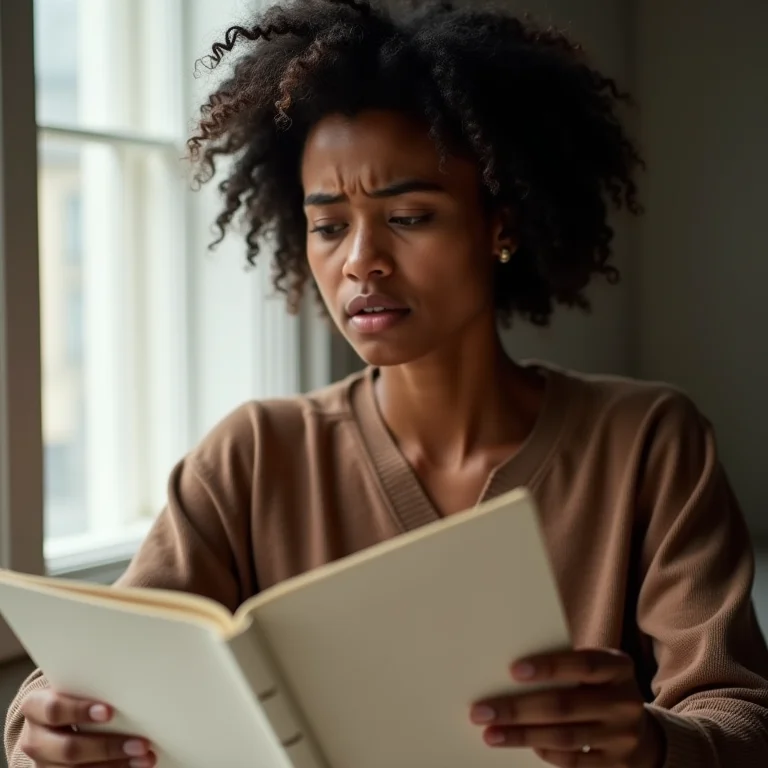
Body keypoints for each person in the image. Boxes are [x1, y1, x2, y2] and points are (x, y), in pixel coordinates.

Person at [6, 0, 768, 766]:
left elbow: (741, 716)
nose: (359, 261)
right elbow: (88, 678)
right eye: (330, 226)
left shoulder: (647, 441)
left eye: (407, 216)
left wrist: (651, 742)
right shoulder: (252, 456)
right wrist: (41, 729)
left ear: (501, 223)